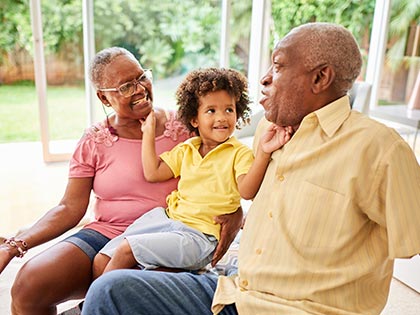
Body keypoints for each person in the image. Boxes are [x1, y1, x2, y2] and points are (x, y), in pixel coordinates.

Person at [81, 22, 420, 315]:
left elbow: (413, 238)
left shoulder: (379, 149)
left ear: (320, 77)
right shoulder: (269, 133)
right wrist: (236, 216)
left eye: (278, 66)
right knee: (108, 290)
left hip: (295, 308)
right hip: (233, 291)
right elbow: (248, 193)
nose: (264, 78)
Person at [0, 47, 242, 315]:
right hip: (107, 233)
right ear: (103, 97)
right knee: (28, 286)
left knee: (130, 291)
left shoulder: (189, 126)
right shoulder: (94, 139)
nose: (139, 89)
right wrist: (14, 245)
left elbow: (227, 169)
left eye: (141, 78)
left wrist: (236, 212)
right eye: (126, 87)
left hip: (175, 231)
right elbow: (69, 207)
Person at [93, 68, 292, 275]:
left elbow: (247, 191)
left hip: (199, 237)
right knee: (102, 259)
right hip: (166, 220)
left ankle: (95, 305)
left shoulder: (238, 153)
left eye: (229, 110)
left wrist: (263, 152)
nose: (222, 118)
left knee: (126, 250)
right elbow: (153, 172)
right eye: (211, 111)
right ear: (194, 119)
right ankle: (100, 303)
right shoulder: (187, 148)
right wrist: (148, 133)